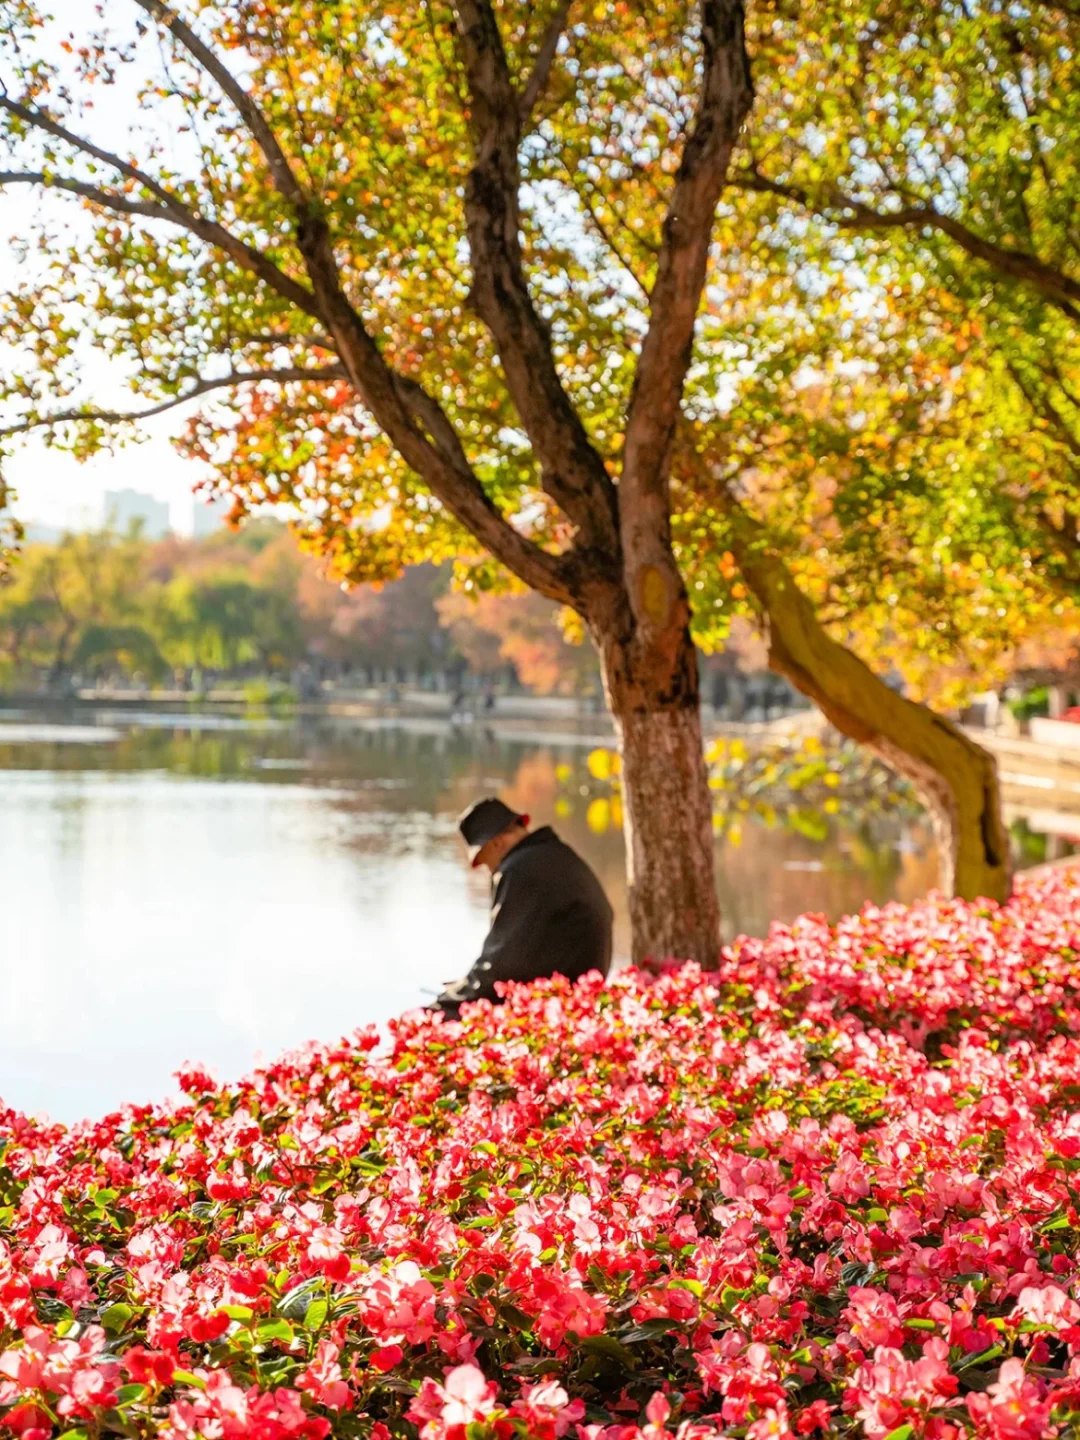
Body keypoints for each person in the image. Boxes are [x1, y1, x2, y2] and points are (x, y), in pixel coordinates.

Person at [433, 797, 613, 1017]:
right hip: (580, 996)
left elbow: (500, 965)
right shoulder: (558, 856)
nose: (489, 870)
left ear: (496, 844)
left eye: (485, 862)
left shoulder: (520, 870)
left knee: (438, 1014)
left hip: (556, 1010)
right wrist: (464, 986)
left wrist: (444, 1004)